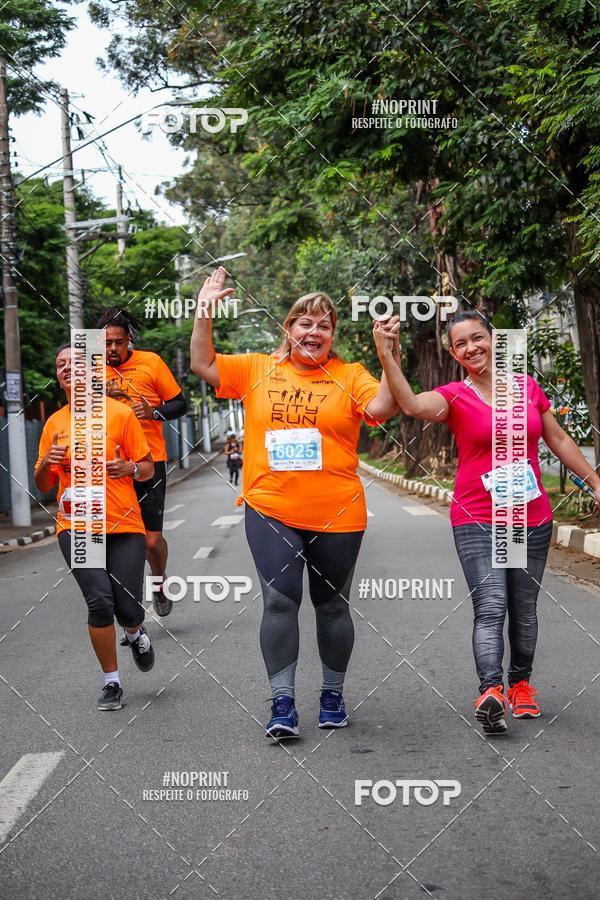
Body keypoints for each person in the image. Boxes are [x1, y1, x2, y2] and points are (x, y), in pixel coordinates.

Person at [190, 266, 399, 740]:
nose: (314, 330)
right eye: (305, 322)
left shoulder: (350, 374)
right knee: (280, 601)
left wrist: (388, 357)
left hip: (338, 509)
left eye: (324, 325)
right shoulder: (258, 369)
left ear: (332, 336)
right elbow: (203, 364)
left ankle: (332, 695)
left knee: (332, 606)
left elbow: (382, 409)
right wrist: (204, 310)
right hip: (271, 506)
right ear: (289, 329)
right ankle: (282, 703)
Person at [373, 309, 600, 734]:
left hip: (528, 517)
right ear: (453, 353)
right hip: (477, 516)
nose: (471, 348)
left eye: (477, 338)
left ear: (494, 339)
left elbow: (559, 439)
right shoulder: (454, 396)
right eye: (460, 343)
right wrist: (388, 354)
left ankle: (520, 685)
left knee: (524, 609)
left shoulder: (527, 387)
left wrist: (594, 482)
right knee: (491, 605)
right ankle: (490, 691)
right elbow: (410, 404)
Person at [34, 344, 157, 711]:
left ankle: (135, 631)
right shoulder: (55, 423)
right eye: (61, 364)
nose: (67, 368)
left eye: (75, 362)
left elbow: (147, 467)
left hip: (123, 524)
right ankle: (112, 682)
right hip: (76, 524)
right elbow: (42, 484)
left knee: (127, 606)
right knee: (99, 601)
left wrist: (131, 469)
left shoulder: (119, 415)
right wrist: (47, 464)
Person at [96, 307, 187, 618]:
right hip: (107, 467)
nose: (112, 349)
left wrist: (153, 413)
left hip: (149, 461)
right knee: (114, 541)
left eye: (118, 342)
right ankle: (129, 615)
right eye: (106, 343)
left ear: (128, 340)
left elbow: (180, 403)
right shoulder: (90, 370)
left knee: (150, 542)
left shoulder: (151, 362)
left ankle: (159, 586)